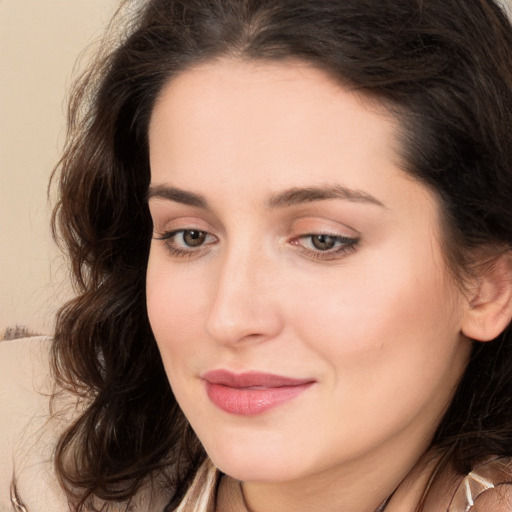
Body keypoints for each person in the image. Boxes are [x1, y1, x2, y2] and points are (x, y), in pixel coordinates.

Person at [1, 0, 512, 510]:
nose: (229, 318)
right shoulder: (23, 439)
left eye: (322, 240)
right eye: (190, 236)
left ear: (490, 284)